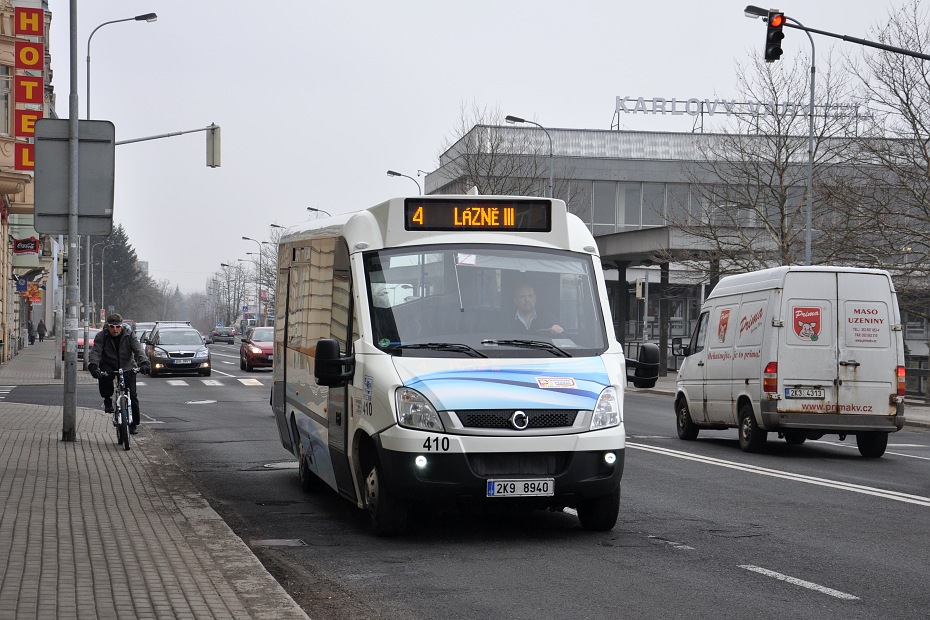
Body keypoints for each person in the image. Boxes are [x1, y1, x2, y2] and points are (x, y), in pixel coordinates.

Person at [88, 313, 151, 434]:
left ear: (121, 326)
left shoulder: (129, 334)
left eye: (117, 326)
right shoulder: (102, 336)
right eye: (112, 326)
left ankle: (133, 424)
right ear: (108, 326)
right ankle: (107, 400)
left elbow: (138, 349)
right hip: (109, 363)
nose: (115, 329)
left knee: (132, 395)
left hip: (127, 365)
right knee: (104, 376)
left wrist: (144, 362)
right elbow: (96, 351)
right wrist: (93, 365)